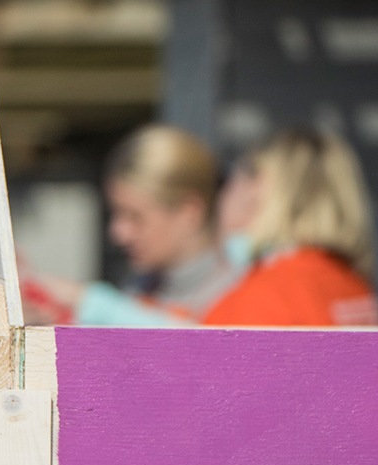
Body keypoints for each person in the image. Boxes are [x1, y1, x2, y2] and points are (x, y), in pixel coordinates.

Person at [20, 125, 238, 327]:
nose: (118, 233)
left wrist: (86, 301)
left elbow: (197, 348)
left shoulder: (245, 295)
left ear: (189, 212)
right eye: (115, 214)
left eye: (135, 217)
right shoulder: (140, 287)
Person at [202, 127, 378, 327]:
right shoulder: (355, 286)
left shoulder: (256, 300)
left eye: (233, 182)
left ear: (258, 190)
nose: (226, 196)